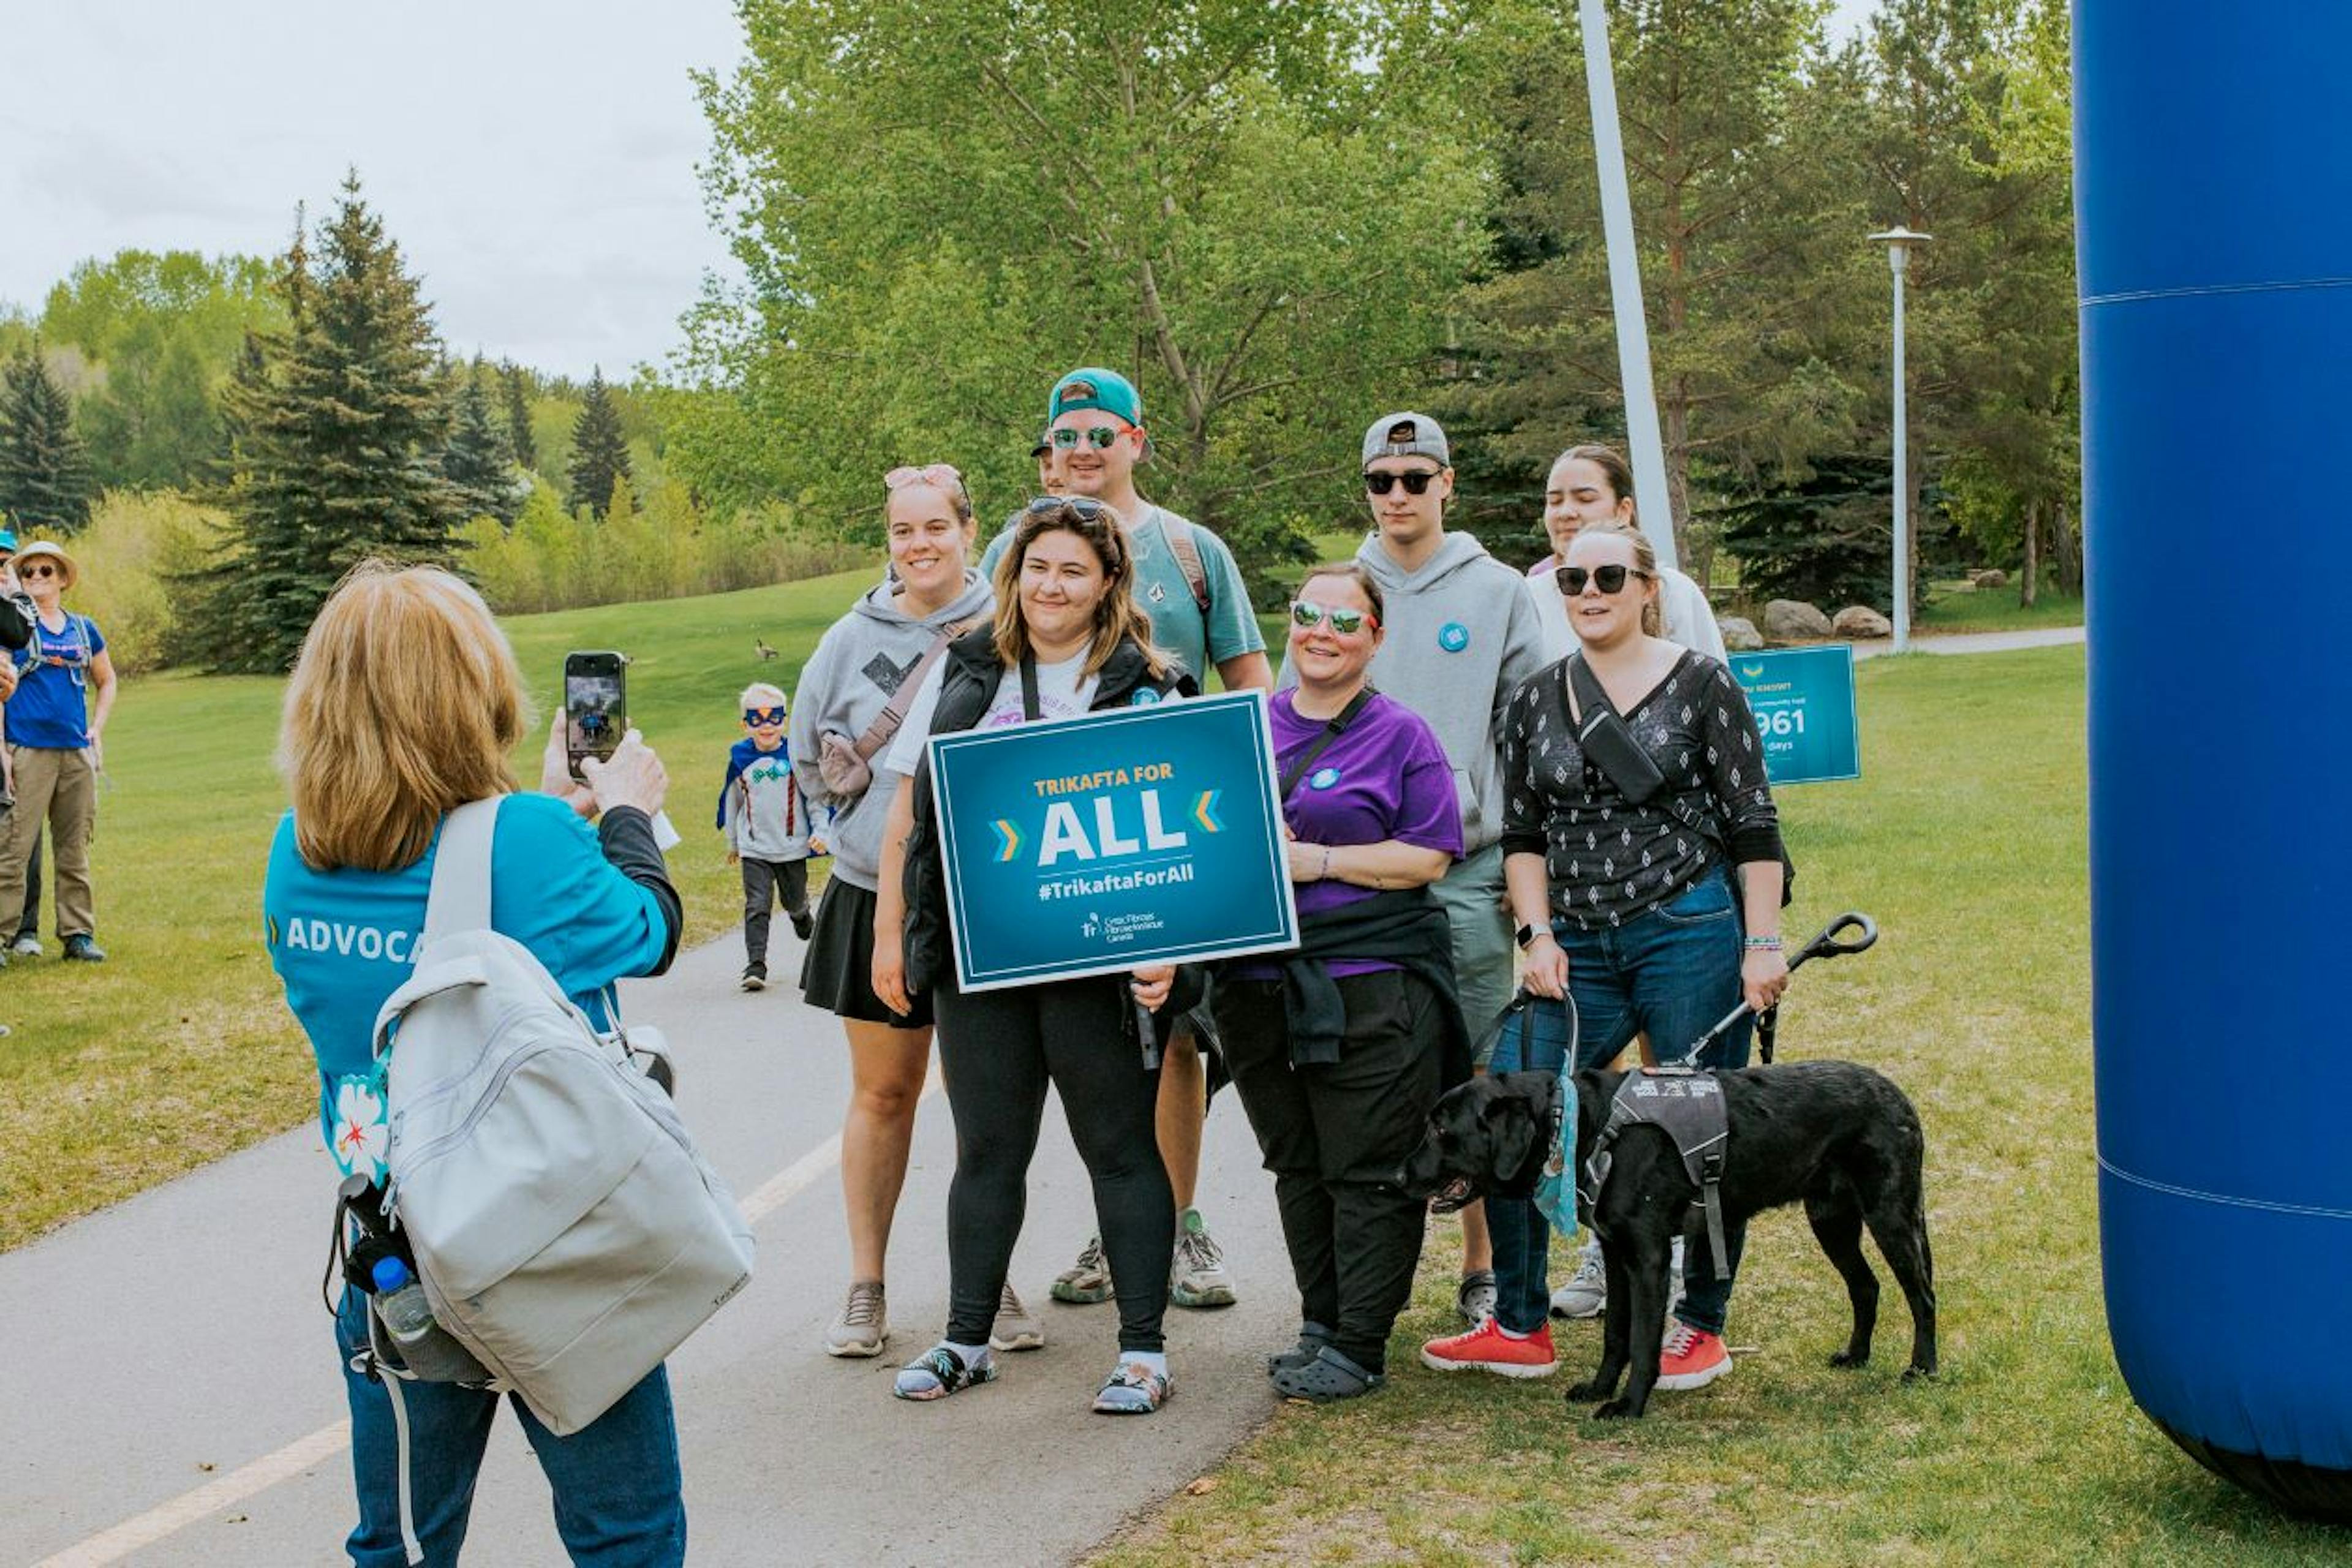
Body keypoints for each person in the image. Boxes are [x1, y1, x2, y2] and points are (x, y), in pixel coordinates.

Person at [262, 563, 688, 1567]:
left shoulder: (295, 849)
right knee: (623, 1529)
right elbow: (649, 932)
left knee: (403, 1541)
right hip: (551, 1239)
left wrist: (532, 823)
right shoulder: (530, 843)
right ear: (471, 692)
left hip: (398, 1234)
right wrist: (621, 813)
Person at [1420, 522, 1787, 1393]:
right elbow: (1523, 836)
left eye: (1609, 576)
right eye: (1574, 578)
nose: (1590, 591)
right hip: (1572, 942)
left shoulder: (1704, 686)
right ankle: (1519, 1321)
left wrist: (1761, 943)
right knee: (1500, 1104)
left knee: (1700, 1133)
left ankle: (1698, 1325)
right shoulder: (1538, 699)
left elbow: (1753, 824)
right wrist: (1538, 936)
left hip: (1688, 927)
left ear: (1646, 587)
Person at [875, 496, 1195, 1414]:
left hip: (1103, 967)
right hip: (986, 964)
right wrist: (894, 934)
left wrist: (1175, 959)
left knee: (1120, 1151)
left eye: (1074, 572)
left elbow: (1183, 838)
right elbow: (909, 812)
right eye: (1039, 568)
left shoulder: (1151, 685)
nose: (1053, 586)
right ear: (1015, 576)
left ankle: (1142, 1352)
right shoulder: (968, 671)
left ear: (1107, 587)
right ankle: (965, 1338)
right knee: (986, 1151)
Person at [980, 368, 1269, 1313]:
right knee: (1078, 1059)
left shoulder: (1191, 550)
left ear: (1138, 440)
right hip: (1048, 848)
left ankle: (1181, 1225)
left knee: (1172, 1037)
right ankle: (1117, 1232)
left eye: (1104, 432)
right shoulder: (1013, 545)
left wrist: (1254, 814)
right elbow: (974, 670)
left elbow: (1249, 684)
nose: (1085, 448)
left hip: (1159, 838)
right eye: (1068, 434)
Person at [1281, 411, 1548, 1324]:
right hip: (1345, 884)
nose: (1398, 495)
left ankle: (1480, 1266)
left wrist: (1519, 863)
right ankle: (1358, 1283)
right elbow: (1298, 713)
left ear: (1448, 484)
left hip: (1461, 867)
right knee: (1366, 1080)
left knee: (1470, 1067)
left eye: (1416, 477)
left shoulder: (1500, 590)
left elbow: (1530, 729)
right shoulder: (1338, 594)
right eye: (1381, 480)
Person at [790, 463, 1040, 1359]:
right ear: (887, 540)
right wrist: (857, 832)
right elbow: (808, 756)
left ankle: (988, 1278)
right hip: (876, 893)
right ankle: (868, 1284)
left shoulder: (1011, 625)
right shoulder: (847, 640)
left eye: (936, 526)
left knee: (988, 1103)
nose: (919, 545)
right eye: (904, 531)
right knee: (885, 1092)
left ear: (970, 529)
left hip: (989, 899)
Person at [1218, 562, 1468, 1402]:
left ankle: (1361, 1343)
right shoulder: (1243, 727)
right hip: (1256, 986)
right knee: (1296, 1162)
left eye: (1345, 621)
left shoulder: (1402, 735)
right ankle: (1320, 1324)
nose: (1322, 632)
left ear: (1376, 638)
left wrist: (1316, 860)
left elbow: (1428, 855)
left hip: (1368, 983)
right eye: (1307, 614)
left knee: (1367, 1167)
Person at [0, 540, 116, 964]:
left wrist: (97, 728)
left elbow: (107, 679)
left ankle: (78, 934)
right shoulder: (12, 628)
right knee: (13, 848)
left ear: (63, 579)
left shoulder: (84, 629)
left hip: (74, 753)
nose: (36, 578)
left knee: (74, 848)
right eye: (28, 572)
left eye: (46, 571)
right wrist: (2, 751)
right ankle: (3, 935)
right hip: (28, 749)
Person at [1528, 445, 1725, 664]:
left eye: (1585, 499)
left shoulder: (1673, 592)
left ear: (1623, 511)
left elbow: (1716, 691)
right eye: (1554, 501)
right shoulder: (1530, 597)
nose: (1565, 513)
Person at [717, 680, 815, 992]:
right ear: (745, 725)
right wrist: (734, 841)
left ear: (784, 720)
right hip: (754, 848)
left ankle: (801, 915)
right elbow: (732, 802)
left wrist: (821, 832)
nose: (766, 727)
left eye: (774, 718)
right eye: (756, 720)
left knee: (794, 901)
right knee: (757, 904)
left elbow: (814, 797)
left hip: (791, 847)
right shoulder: (740, 760)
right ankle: (756, 965)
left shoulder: (795, 756)